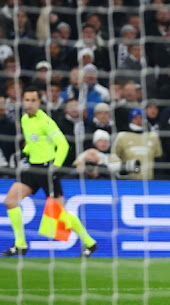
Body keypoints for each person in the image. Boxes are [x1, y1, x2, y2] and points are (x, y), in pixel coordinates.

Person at [2, 87, 98, 257]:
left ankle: (89, 242)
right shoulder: (24, 119)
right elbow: (33, 144)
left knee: (60, 214)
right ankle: (20, 245)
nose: (29, 104)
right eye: (27, 100)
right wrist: (25, 154)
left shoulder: (46, 122)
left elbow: (63, 144)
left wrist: (56, 166)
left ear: (39, 102)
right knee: (11, 201)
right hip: (32, 168)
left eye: (33, 100)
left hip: (47, 169)